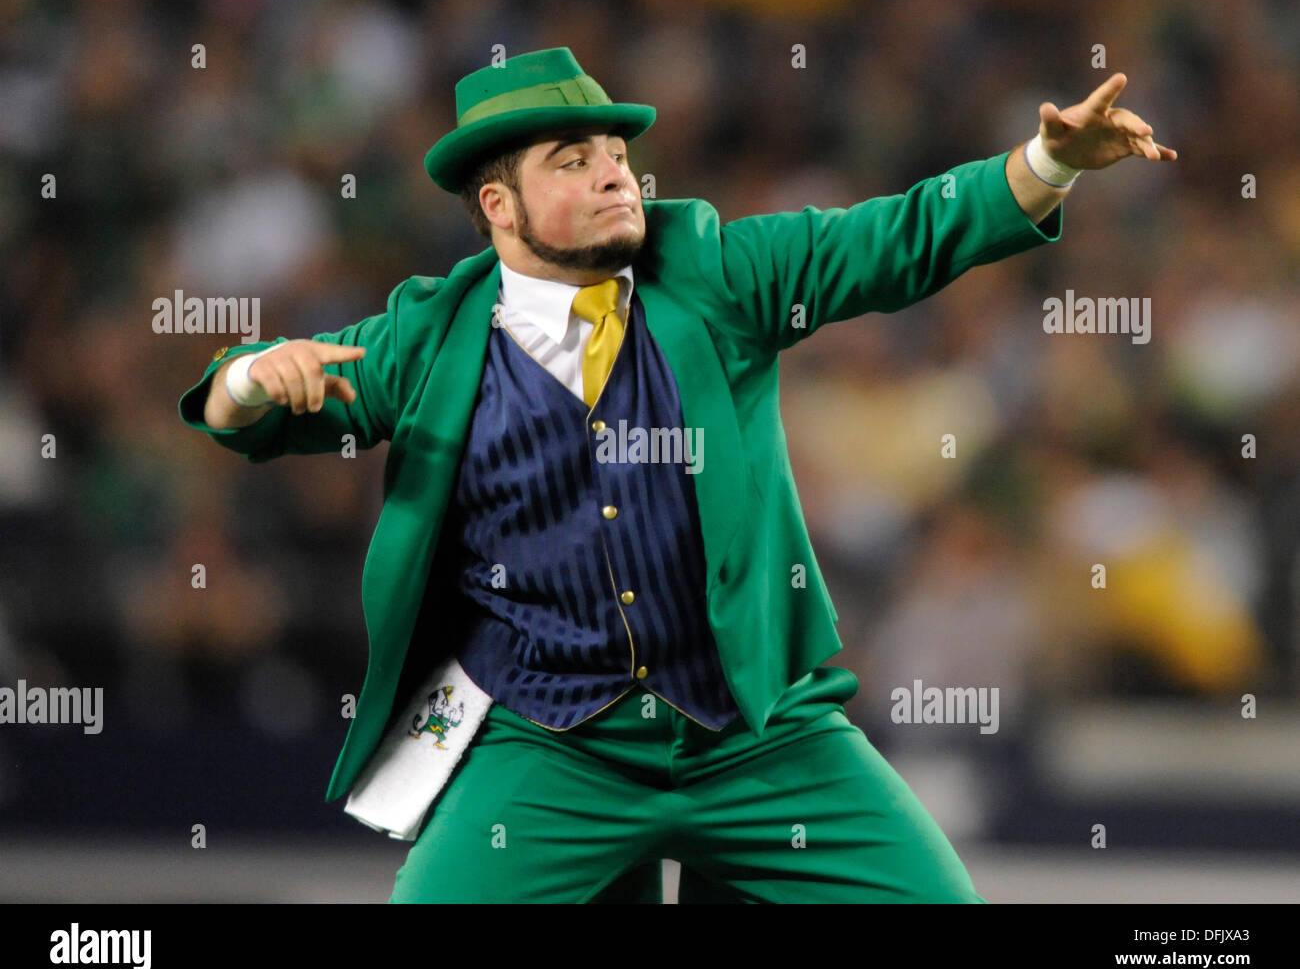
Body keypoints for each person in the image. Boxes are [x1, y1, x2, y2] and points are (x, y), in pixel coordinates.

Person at [178, 47, 1175, 902]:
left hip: (759, 733)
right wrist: (252, 377)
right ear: (497, 204)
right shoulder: (429, 339)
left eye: (619, 155)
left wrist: (1047, 162)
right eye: (575, 161)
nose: (617, 176)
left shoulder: (716, 271)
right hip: (548, 744)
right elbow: (243, 407)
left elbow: (896, 239)